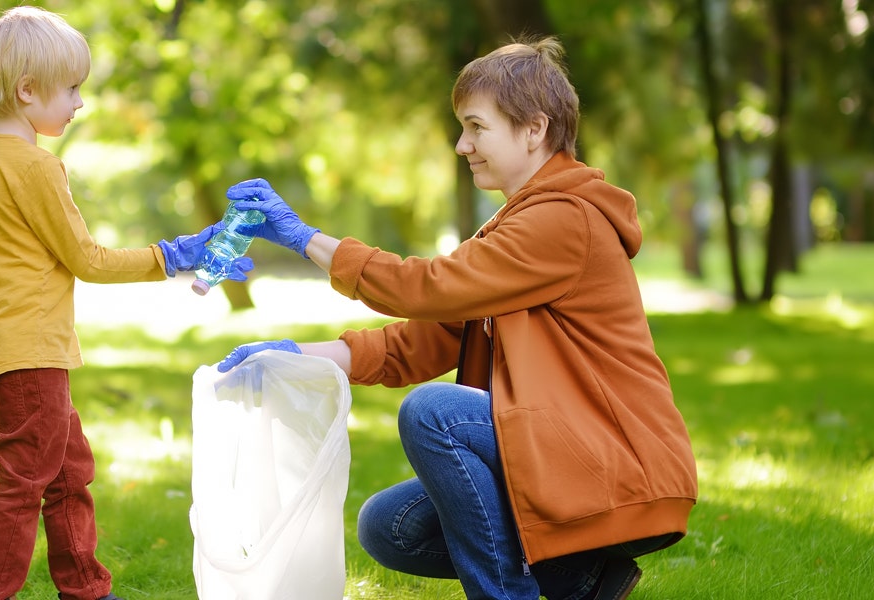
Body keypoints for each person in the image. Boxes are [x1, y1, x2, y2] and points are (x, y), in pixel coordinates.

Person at [216, 37, 697, 600]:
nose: (461, 144)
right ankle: (582, 580)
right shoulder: (518, 226)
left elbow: (424, 288)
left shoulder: (564, 220)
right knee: (389, 527)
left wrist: (306, 240)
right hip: (569, 451)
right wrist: (296, 357)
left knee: (436, 413)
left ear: (534, 129)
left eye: (476, 126)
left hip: (614, 459)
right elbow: (421, 341)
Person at [0, 7, 251, 600]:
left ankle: (88, 590)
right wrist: (171, 255)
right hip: (30, 347)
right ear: (26, 90)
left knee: (68, 474)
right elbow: (86, 260)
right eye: (71, 89)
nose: (78, 103)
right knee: (24, 483)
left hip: (8, 344)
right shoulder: (34, 165)